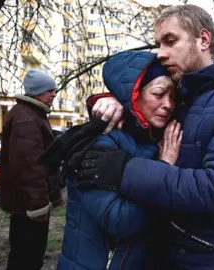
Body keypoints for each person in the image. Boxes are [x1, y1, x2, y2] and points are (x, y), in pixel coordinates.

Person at [69, 4, 214, 270]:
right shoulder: (181, 97)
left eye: (170, 41)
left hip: (209, 260)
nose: (161, 54)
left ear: (203, 39)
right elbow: (142, 106)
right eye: (158, 44)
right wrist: (116, 101)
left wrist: (125, 171)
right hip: (161, 255)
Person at [56, 51, 180, 270]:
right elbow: (121, 220)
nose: (168, 104)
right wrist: (164, 169)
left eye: (173, 96)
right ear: (133, 95)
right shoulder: (98, 143)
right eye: (159, 93)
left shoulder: (156, 138)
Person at [0, 69, 63, 270]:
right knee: (28, 256)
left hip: (24, 204)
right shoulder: (27, 118)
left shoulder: (30, 114)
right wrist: (38, 207)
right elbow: (29, 167)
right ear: (37, 92)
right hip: (29, 207)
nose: (54, 94)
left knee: (22, 253)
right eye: (49, 90)